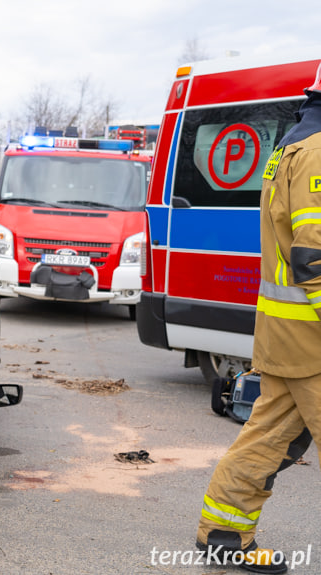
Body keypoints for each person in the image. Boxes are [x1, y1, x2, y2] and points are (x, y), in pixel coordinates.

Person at [194, 64, 321, 574]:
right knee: (268, 435)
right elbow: (314, 257)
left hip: (289, 335)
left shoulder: (294, 143)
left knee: (268, 436)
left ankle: (224, 532)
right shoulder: (317, 151)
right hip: (311, 337)